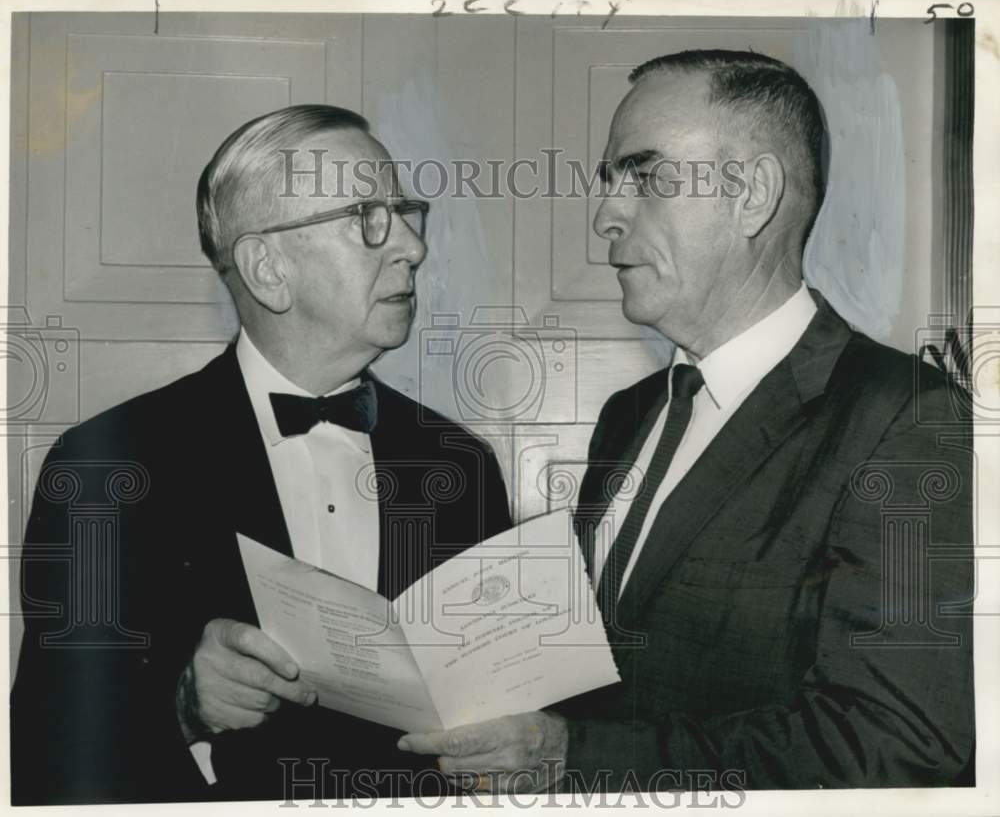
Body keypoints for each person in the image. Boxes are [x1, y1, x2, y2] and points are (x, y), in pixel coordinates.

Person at [397, 50, 975, 791]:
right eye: (608, 181)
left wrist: (577, 761)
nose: (605, 213)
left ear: (752, 194)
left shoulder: (908, 419)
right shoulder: (630, 414)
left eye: (643, 176)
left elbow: (897, 743)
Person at [11, 104, 512, 804]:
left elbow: (500, 721)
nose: (411, 246)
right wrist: (184, 705)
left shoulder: (460, 464)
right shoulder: (104, 464)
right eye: (368, 216)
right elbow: (44, 746)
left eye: (404, 212)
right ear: (267, 268)